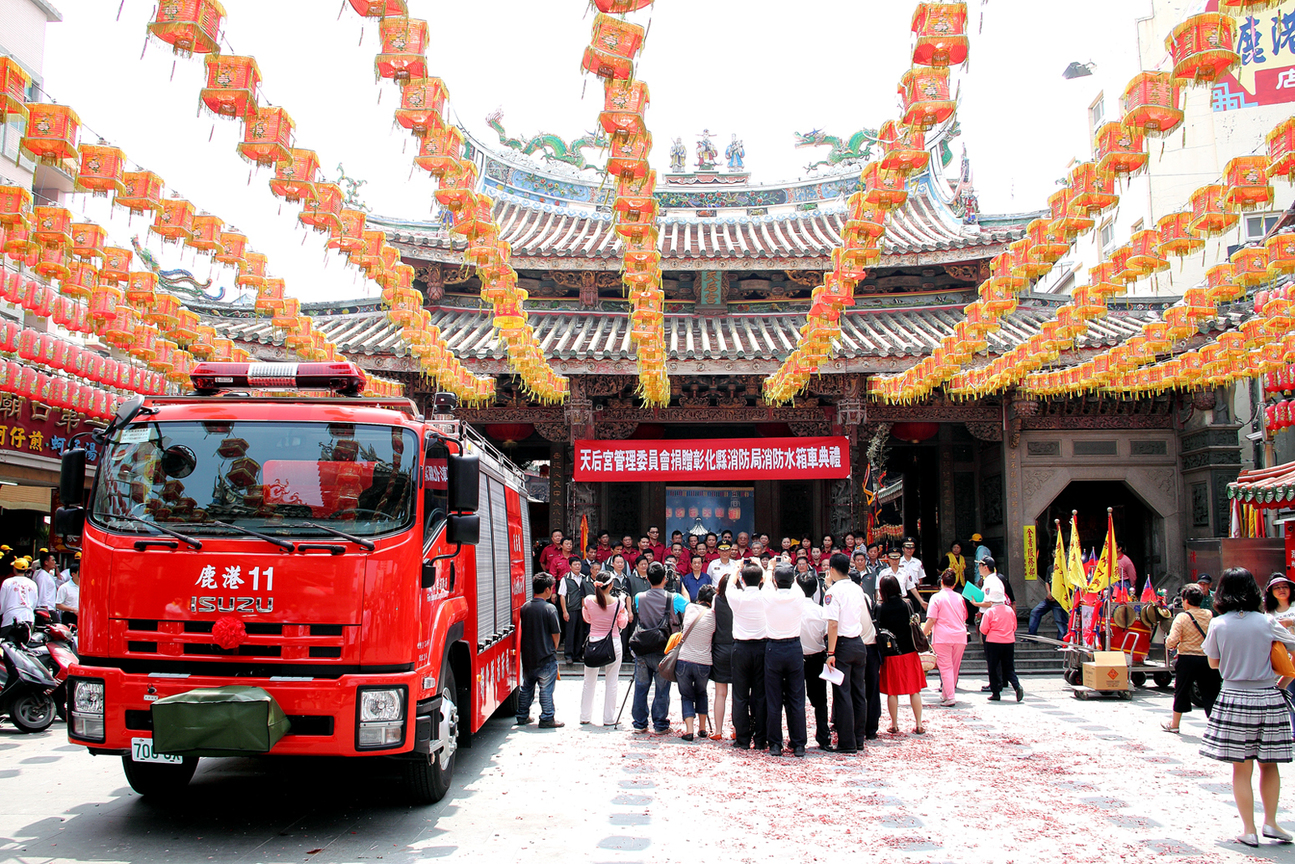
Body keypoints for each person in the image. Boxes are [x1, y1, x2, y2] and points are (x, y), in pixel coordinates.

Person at [1200, 567, 1295, 847]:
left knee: (1241, 769)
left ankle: (1249, 830)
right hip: (1269, 695)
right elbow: (1292, 645)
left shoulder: (1218, 624)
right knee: (1270, 765)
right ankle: (1272, 823)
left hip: (1234, 698)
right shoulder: (1266, 622)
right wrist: (1285, 678)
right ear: (1254, 590)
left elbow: (1213, 663)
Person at [630, 563, 686, 734]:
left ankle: (640, 723)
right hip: (664, 648)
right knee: (662, 689)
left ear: (647, 579)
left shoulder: (639, 597)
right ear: (665, 579)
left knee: (641, 686)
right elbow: (690, 609)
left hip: (643, 647)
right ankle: (660, 724)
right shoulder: (674, 598)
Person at [825, 552, 872, 753]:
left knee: (842, 694)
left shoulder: (833, 592)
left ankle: (846, 742)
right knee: (858, 693)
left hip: (842, 645)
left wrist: (831, 652)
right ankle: (859, 738)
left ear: (832, 570)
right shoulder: (857, 588)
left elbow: (833, 624)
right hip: (858, 642)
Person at [1162, 584, 1220, 733]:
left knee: (1181, 691)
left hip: (1187, 659)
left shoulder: (1182, 617)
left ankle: (1175, 725)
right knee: (1211, 693)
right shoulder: (1209, 614)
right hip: (1207, 659)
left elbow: (1171, 641)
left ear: (1185, 600)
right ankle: (1215, 727)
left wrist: (1171, 643)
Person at [764, 563, 807, 757]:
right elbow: (795, 582)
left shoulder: (769, 596)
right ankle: (798, 745)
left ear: (775, 580)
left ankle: (775, 744)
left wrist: (770, 568)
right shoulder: (798, 596)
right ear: (793, 580)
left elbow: (765, 582)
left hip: (774, 648)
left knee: (773, 700)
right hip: (794, 648)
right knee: (796, 698)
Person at [726, 561, 769, 750]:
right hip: (762, 648)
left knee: (740, 695)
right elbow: (768, 581)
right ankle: (760, 738)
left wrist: (737, 569)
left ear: (742, 579)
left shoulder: (736, 596)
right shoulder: (767, 596)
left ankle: (742, 738)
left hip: (741, 649)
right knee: (760, 695)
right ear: (761, 579)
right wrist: (762, 566)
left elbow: (729, 582)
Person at [579, 570, 631, 727]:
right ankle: (609, 718)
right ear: (611, 585)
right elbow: (622, 624)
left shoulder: (588, 600)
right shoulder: (618, 602)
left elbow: (587, 619)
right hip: (613, 643)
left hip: (594, 642)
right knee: (612, 681)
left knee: (589, 681)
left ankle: (585, 716)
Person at [877, 574, 927, 732]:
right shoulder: (907, 604)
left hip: (891, 653)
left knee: (892, 692)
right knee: (914, 690)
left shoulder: (880, 607)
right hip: (909, 651)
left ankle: (894, 724)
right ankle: (919, 724)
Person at [516, 574, 563, 728]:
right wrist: (553, 648)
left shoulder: (525, 607)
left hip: (529, 655)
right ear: (548, 589)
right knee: (546, 688)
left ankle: (522, 715)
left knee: (527, 686)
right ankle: (547, 717)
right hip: (546, 655)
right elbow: (556, 633)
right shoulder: (550, 608)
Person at [676, 584, 716, 742]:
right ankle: (703, 728)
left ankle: (689, 730)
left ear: (698, 598)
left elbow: (685, 596)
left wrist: (682, 584)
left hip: (684, 658)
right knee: (701, 693)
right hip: (704, 661)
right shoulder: (714, 614)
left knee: (686, 695)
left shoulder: (690, 608)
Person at [799, 570, 833, 751]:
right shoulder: (821, 611)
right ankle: (823, 736)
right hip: (817, 658)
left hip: (797, 658)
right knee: (820, 701)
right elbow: (827, 635)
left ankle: (798, 738)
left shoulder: (793, 611)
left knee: (795, 700)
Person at [924, 569, 967, 707]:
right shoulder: (959, 597)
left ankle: (950, 696)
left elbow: (931, 619)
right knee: (954, 667)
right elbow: (964, 616)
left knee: (946, 668)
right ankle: (947, 693)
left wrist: (923, 634)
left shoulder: (936, 597)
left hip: (943, 636)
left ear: (941, 582)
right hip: (959, 635)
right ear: (954, 584)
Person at [979, 585, 1023, 703]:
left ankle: (996, 692)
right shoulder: (1009, 611)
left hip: (993, 642)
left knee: (993, 667)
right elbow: (1014, 626)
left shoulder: (990, 612)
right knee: (1009, 667)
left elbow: (983, 629)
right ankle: (1016, 685)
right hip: (1009, 641)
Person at [710, 567, 736, 742]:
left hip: (720, 647)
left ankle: (718, 730)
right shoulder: (740, 600)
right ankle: (737, 729)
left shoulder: (716, 599)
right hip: (737, 646)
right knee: (739, 693)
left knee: (720, 693)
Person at [1266, 574, 1295, 731]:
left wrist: (1291, 622)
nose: (1281, 590)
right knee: (1291, 694)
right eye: (1277, 588)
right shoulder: (1268, 614)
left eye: (1284, 586)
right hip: (1285, 661)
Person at [559, 557, 593, 663]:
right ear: (570, 566)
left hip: (582, 609)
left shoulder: (584, 578)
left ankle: (577, 655)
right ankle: (568, 655)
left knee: (580, 633)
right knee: (570, 633)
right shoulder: (565, 579)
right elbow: (562, 596)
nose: (577, 567)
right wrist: (565, 611)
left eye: (579, 565)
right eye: (575, 565)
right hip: (571, 609)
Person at [0, 556, 37, 645]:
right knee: (24, 645)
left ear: (14, 568)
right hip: (27, 617)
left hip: (10, 617)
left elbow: (2, 603)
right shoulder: (32, 583)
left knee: (5, 645)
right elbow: (34, 602)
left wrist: (2, 613)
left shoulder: (7, 582)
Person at [1027, 572, 1069, 641]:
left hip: (1060, 601)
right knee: (1035, 612)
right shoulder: (1050, 568)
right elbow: (1047, 582)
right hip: (1048, 600)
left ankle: (1062, 640)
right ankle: (1031, 635)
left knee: (1060, 621)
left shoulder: (1064, 568)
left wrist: (1056, 595)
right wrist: (1049, 593)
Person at [897, 539, 927, 609]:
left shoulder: (918, 562)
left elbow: (920, 578)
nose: (909, 550)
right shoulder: (898, 561)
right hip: (901, 588)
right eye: (907, 548)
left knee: (915, 611)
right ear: (903, 549)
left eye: (911, 548)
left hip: (914, 590)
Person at [32, 552, 58, 624]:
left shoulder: (48, 575)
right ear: (46, 562)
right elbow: (42, 594)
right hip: (47, 610)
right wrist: (45, 612)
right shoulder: (42, 576)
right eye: (52, 560)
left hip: (51, 608)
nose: (54, 562)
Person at [55, 562, 80, 628]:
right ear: (73, 574)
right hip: (69, 616)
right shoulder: (64, 587)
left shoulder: (86, 586)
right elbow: (58, 604)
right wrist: (73, 609)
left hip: (82, 617)